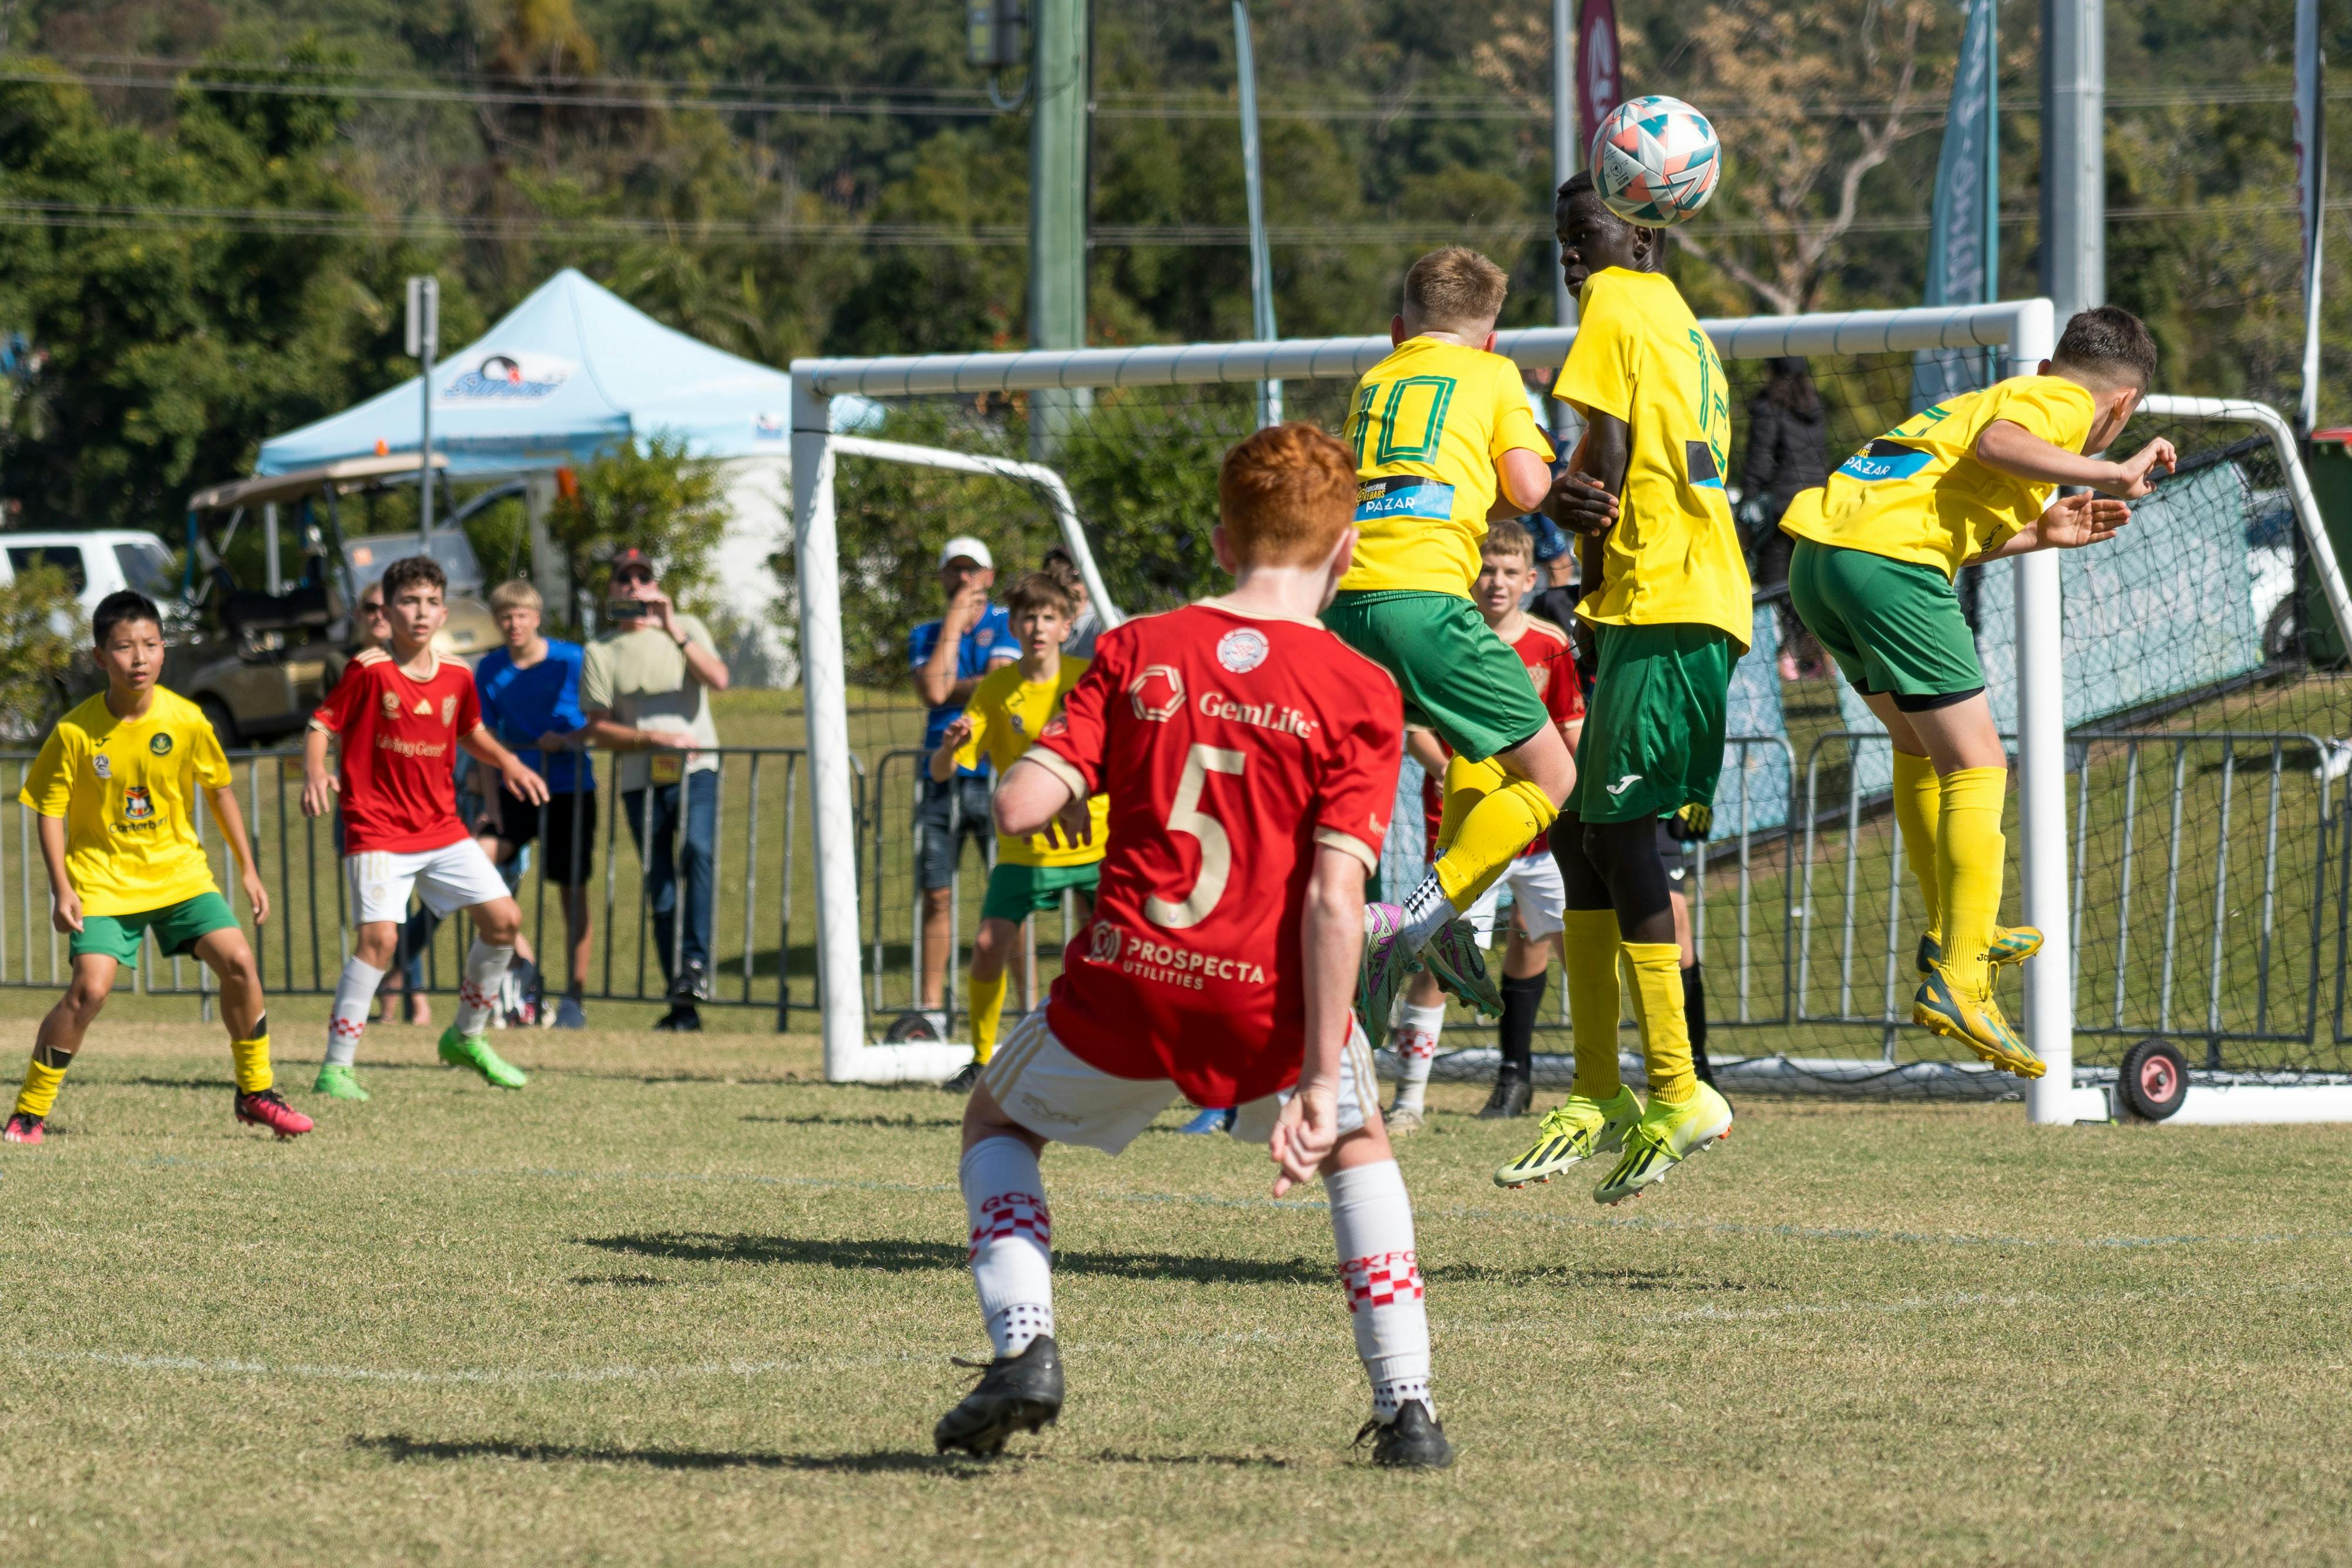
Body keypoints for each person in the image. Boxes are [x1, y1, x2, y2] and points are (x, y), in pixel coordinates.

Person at [936, 422, 1448, 1467]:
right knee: (1358, 1148)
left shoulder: (1134, 649)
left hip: (1133, 975)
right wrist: (1317, 1077)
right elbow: (1335, 899)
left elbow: (1026, 804)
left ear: (1221, 541)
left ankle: (1025, 1347)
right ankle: (1409, 1409)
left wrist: (1040, 753)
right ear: (1346, 548)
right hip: (1270, 996)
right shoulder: (1360, 687)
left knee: (997, 1119)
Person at [1778, 305, 2170, 1074]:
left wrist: (2044, 532)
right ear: (2121, 405)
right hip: (1889, 569)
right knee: (1981, 765)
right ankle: (1961, 975)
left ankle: (1952, 930)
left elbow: (1950, 491)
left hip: (1823, 565)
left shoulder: (1989, 398)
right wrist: (2112, 468)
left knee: (1919, 748)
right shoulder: (2061, 404)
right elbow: (2002, 447)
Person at [1497, 171, 1749, 1205]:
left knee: (1625, 830)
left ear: (1642, 225)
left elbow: (1598, 448)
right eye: (1560, 234)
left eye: (1583, 229)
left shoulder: (1616, 298)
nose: (1568, 251)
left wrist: (1570, 514)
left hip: (1671, 599)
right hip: (1651, 600)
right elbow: (1630, 450)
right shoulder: (1672, 312)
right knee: (1582, 834)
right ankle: (1598, 1089)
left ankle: (1681, 1088)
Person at [1328, 246, 1567, 1029]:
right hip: (1423, 599)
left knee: (1470, 752)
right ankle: (1417, 919)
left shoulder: (1376, 379)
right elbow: (1531, 489)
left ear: (1401, 330)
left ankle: (1376, 961)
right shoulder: (1496, 376)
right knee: (1552, 777)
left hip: (1343, 604)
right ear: (1492, 339)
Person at [4, 591, 312, 1144]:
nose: (139, 658)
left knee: (240, 961)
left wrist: (249, 869)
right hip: (101, 879)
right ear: (101, 658)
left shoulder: (188, 719)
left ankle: (256, 1092)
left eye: (149, 644)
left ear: (164, 651)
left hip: (179, 876)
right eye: (123, 647)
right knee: (90, 991)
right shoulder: (75, 732)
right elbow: (49, 811)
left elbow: (221, 793)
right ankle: (29, 1111)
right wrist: (61, 888)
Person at [303, 555, 547, 1099]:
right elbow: (322, 724)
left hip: (441, 829)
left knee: (505, 919)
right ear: (387, 611)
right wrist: (317, 768)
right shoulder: (368, 669)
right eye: (409, 601)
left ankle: (466, 1036)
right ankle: (336, 1067)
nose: (421, 611)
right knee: (379, 940)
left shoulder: (458, 674)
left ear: (444, 612)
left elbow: (472, 731)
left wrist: (508, 763)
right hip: (378, 830)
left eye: (432, 602)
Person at [1385, 520, 1583, 1132]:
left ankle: (1591, 1083)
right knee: (1440, 965)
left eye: (1507, 572)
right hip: (1460, 834)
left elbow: (1570, 732)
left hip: (1542, 840)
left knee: (1574, 947)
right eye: (1486, 570)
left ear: (1529, 580)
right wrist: (1443, 764)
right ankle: (1408, 1101)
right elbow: (1409, 717)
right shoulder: (1444, 636)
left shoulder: (1550, 645)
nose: (1495, 583)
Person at [928, 571, 1107, 1094]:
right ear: (1014, 623)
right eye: (1028, 617)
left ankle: (1105, 1057)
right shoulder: (996, 689)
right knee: (988, 944)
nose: (1038, 627)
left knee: (1108, 951)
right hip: (1025, 849)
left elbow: (1113, 752)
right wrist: (948, 745)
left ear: (1067, 624)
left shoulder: (1086, 679)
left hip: (1094, 842)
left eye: (1049, 617)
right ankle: (983, 1058)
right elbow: (943, 771)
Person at [579, 549, 730, 1032]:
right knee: (661, 886)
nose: (635, 587)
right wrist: (655, 738)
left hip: (696, 767)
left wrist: (674, 629)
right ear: (612, 591)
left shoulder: (686, 626)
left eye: (644, 578)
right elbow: (599, 730)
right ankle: (682, 999)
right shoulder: (600, 650)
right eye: (625, 580)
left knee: (698, 850)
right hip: (642, 778)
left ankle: (697, 964)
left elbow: (720, 680)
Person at [907, 536, 1018, 1035]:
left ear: (990, 577)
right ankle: (932, 1011)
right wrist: (953, 625)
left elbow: (1004, 681)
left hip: (997, 774)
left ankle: (1027, 1009)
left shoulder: (1009, 622)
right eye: (954, 571)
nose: (964, 580)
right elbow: (933, 690)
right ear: (943, 579)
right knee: (936, 896)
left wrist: (950, 681)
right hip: (940, 774)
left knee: (1010, 897)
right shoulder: (926, 632)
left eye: (972, 570)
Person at [475, 580, 596, 1029]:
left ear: (537, 616)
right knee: (474, 861)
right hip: (515, 787)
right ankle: (521, 964)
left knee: (572, 889)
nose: (513, 624)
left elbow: (601, 717)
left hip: (570, 785)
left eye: (521, 615)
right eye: (505, 616)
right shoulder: (489, 668)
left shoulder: (572, 658)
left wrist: (569, 738)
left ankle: (575, 998)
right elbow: (482, 738)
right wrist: (492, 802)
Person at [1739, 357, 1830, 678]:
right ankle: (1815, 650)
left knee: (1774, 583)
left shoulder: (1769, 406)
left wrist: (1748, 502)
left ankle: (1794, 652)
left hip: (1780, 510)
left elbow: (1760, 460)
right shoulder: (1814, 406)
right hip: (1816, 504)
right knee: (1809, 583)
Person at [1041, 546, 1100, 657]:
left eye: (1075, 576)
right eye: (1055, 575)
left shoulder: (1104, 621)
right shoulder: (1042, 625)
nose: (1066, 582)